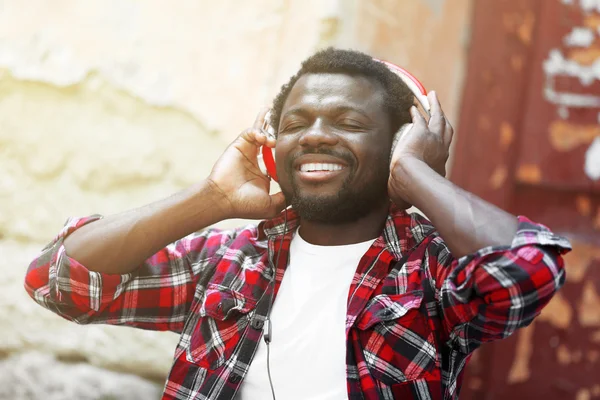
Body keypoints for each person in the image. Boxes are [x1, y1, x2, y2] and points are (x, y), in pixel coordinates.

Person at [24, 48, 571, 400]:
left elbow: (523, 273)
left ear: (401, 144)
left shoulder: (428, 270)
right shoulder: (227, 260)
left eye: (349, 123)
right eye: (296, 123)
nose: (313, 136)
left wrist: (414, 174)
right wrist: (213, 198)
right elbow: (59, 282)